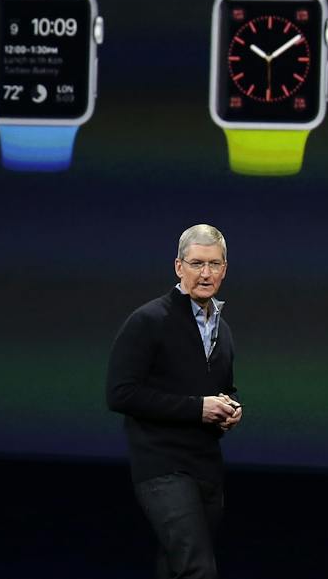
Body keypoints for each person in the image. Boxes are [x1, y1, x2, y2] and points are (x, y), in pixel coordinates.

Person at [106, 223, 241, 579]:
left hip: (206, 467)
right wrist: (199, 408)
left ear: (225, 269)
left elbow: (223, 387)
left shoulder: (222, 330)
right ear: (179, 267)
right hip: (162, 466)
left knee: (175, 568)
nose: (206, 273)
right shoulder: (149, 321)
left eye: (214, 264)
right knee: (197, 569)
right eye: (197, 263)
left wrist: (230, 409)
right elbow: (121, 393)